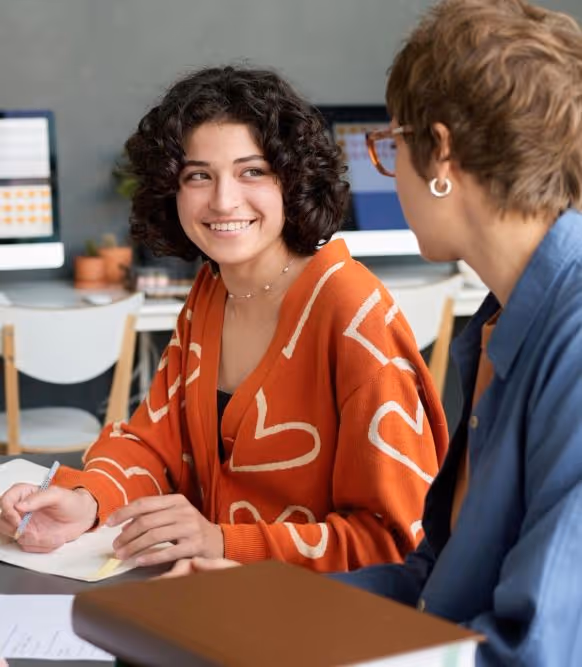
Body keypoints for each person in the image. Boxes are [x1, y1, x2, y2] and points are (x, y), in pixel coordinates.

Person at [165, 1, 582, 663]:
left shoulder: (573, 340)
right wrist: (259, 598)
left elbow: (530, 651)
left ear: (439, 151)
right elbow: (432, 582)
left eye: (391, 145)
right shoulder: (498, 325)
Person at [0, 66, 448, 572]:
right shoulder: (211, 291)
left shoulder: (352, 313)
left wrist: (222, 543)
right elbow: (154, 443)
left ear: (291, 178)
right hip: (212, 607)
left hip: (317, 628)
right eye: (198, 175)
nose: (223, 200)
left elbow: (396, 542)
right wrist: (87, 499)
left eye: (251, 171)